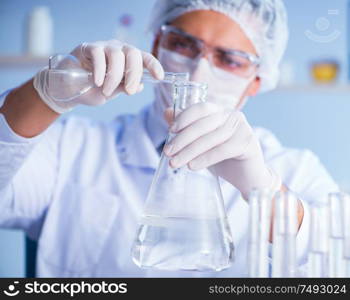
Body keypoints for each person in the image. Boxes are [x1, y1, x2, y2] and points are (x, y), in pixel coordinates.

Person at [0, 0, 338, 277]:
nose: (199, 71)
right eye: (182, 44)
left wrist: (262, 190)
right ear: (156, 46)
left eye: (230, 60)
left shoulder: (294, 170)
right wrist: (43, 96)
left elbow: (338, 266)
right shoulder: (73, 148)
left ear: (256, 82)